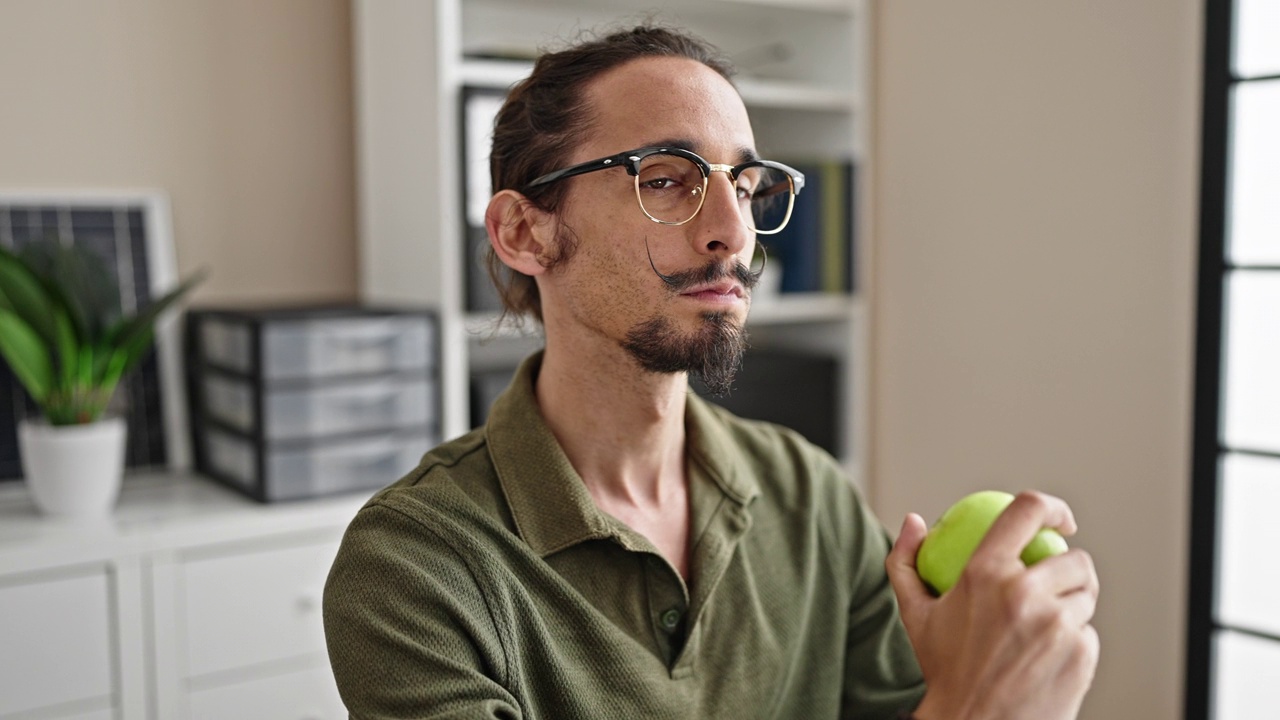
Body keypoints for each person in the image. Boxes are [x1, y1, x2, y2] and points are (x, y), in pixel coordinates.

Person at [323, 24, 1100, 720]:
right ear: (525, 231)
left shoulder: (809, 494)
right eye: (665, 179)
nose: (734, 232)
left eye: (746, 186)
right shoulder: (413, 568)